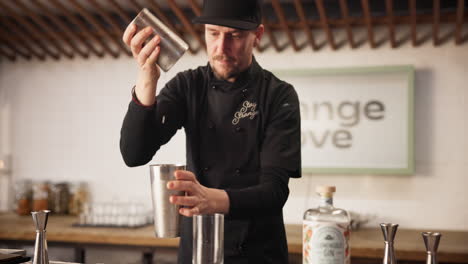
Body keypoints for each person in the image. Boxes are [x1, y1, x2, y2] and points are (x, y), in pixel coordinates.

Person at [120, 0, 301, 263]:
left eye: (235, 36)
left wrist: (210, 200)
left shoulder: (278, 95)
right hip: (197, 253)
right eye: (213, 33)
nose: (221, 48)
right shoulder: (188, 86)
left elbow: (274, 192)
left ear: (257, 35)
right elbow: (134, 154)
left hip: (258, 254)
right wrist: (147, 76)